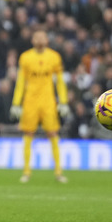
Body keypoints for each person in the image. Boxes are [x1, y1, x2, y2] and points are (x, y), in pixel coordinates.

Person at [10, 29, 70, 184]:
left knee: (53, 134)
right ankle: (26, 172)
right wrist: (16, 103)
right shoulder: (25, 57)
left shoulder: (54, 57)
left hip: (48, 101)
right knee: (28, 134)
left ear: (47, 40)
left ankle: (58, 172)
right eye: (36, 37)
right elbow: (21, 81)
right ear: (32, 40)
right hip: (30, 102)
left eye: (42, 37)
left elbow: (60, 81)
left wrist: (63, 101)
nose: (39, 39)